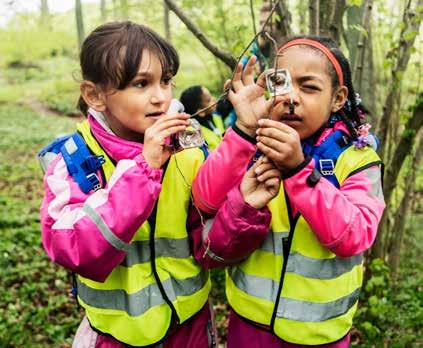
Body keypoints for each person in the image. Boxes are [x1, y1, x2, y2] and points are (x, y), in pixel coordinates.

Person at [192, 36, 386, 347]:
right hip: (248, 326)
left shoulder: (358, 159)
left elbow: (356, 235)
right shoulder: (254, 143)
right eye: (281, 83)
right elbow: (204, 200)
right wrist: (243, 132)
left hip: (320, 335)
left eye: (309, 87)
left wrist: (298, 171)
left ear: (338, 98)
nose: (291, 98)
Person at [39, 21, 218, 347]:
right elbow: (74, 249)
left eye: (166, 81)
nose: (161, 97)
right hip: (117, 337)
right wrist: (143, 169)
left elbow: (210, 240)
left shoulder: (186, 148)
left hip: (190, 328)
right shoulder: (75, 161)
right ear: (94, 95)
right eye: (141, 83)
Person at [180, 85, 225, 151]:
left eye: (211, 95)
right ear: (201, 112)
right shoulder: (194, 135)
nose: (214, 99)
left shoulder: (216, 117)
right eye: (209, 100)